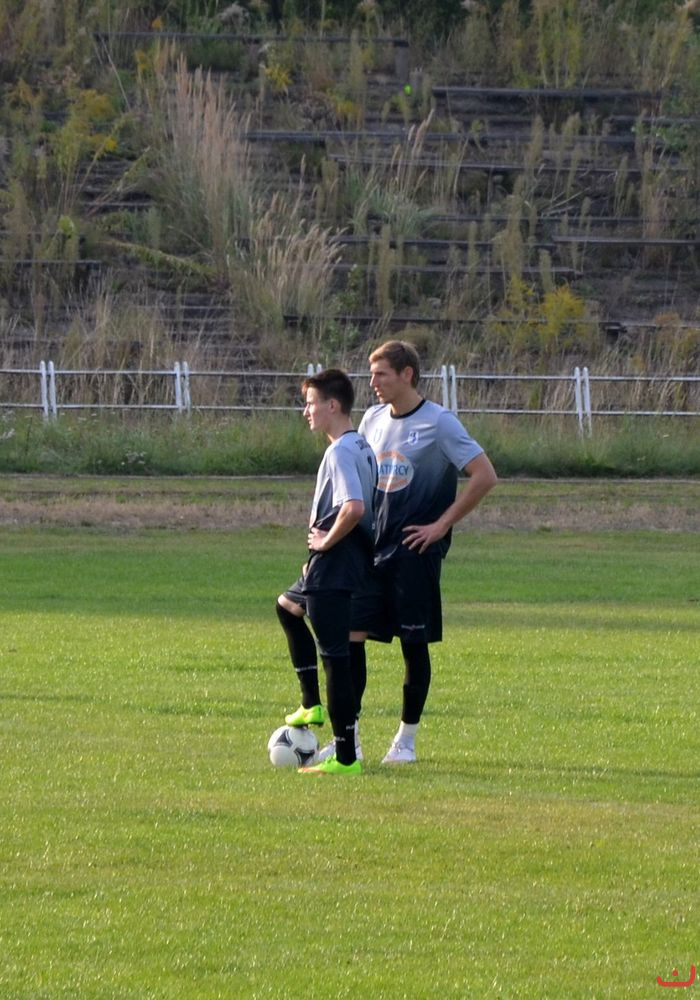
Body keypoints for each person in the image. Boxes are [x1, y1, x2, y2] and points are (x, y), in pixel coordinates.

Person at [344, 339, 497, 764]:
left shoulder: (439, 422)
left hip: (415, 552)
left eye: (381, 374)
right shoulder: (372, 419)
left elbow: (484, 475)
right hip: (372, 551)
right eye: (372, 374)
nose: (373, 383)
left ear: (407, 374)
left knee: (413, 645)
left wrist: (441, 525)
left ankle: (405, 741)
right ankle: (347, 739)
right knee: (350, 637)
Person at [276, 368, 377, 775]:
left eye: (311, 403)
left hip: (336, 564)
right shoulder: (362, 446)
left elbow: (354, 508)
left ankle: (346, 757)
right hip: (344, 563)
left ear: (332, 405)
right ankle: (311, 704)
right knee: (287, 607)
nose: (306, 411)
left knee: (336, 660)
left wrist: (324, 544)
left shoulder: (340, 452)